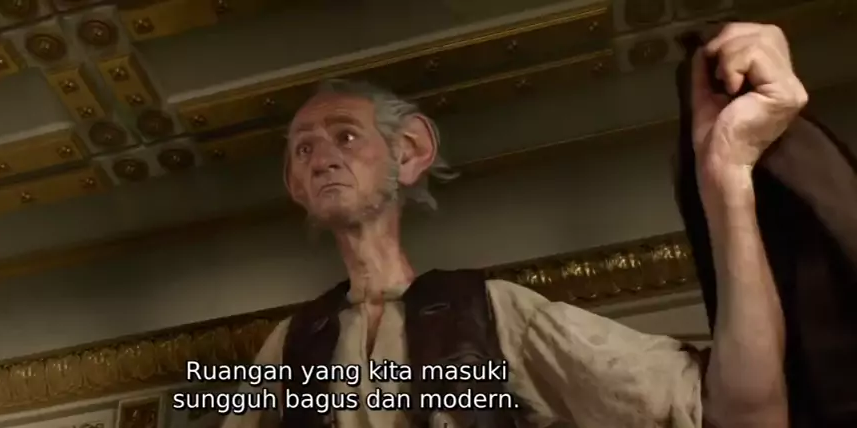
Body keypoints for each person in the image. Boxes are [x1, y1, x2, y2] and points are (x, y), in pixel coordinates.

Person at [221, 23, 807, 428]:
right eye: (303, 149)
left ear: (410, 151)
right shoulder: (290, 346)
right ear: (295, 185)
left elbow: (740, 414)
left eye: (345, 136)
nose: (321, 158)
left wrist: (728, 176)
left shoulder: (492, 312)